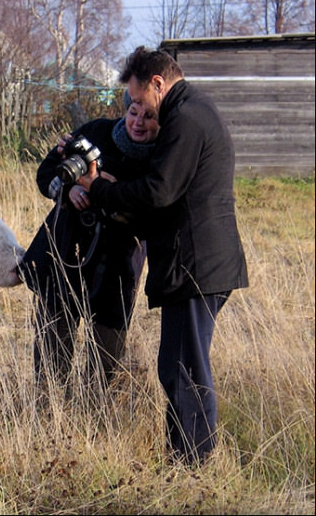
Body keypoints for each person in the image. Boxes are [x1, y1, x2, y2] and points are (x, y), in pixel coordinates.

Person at [76, 46, 249, 465]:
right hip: (199, 262)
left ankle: (193, 465)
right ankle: (184, 457)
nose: (135, 109)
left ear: (158, 83)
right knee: (178, 364)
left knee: (184, 369)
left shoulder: (186, 118)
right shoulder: (193, 110)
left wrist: (99, 189)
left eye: (138, 100)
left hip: (195, 264)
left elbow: (159, 191)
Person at [21, 91, 160, 394]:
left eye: (149, 116)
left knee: (106, 352)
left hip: (118, 262)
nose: (138, 122)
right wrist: (68, 191)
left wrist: (110, 193)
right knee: (52, 338)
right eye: (134, 112)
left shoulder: (162, 157)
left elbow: (154, 209)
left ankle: (91, 417)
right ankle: (48, 409)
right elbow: (46, 173)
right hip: (67, 251)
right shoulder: (96, 132)